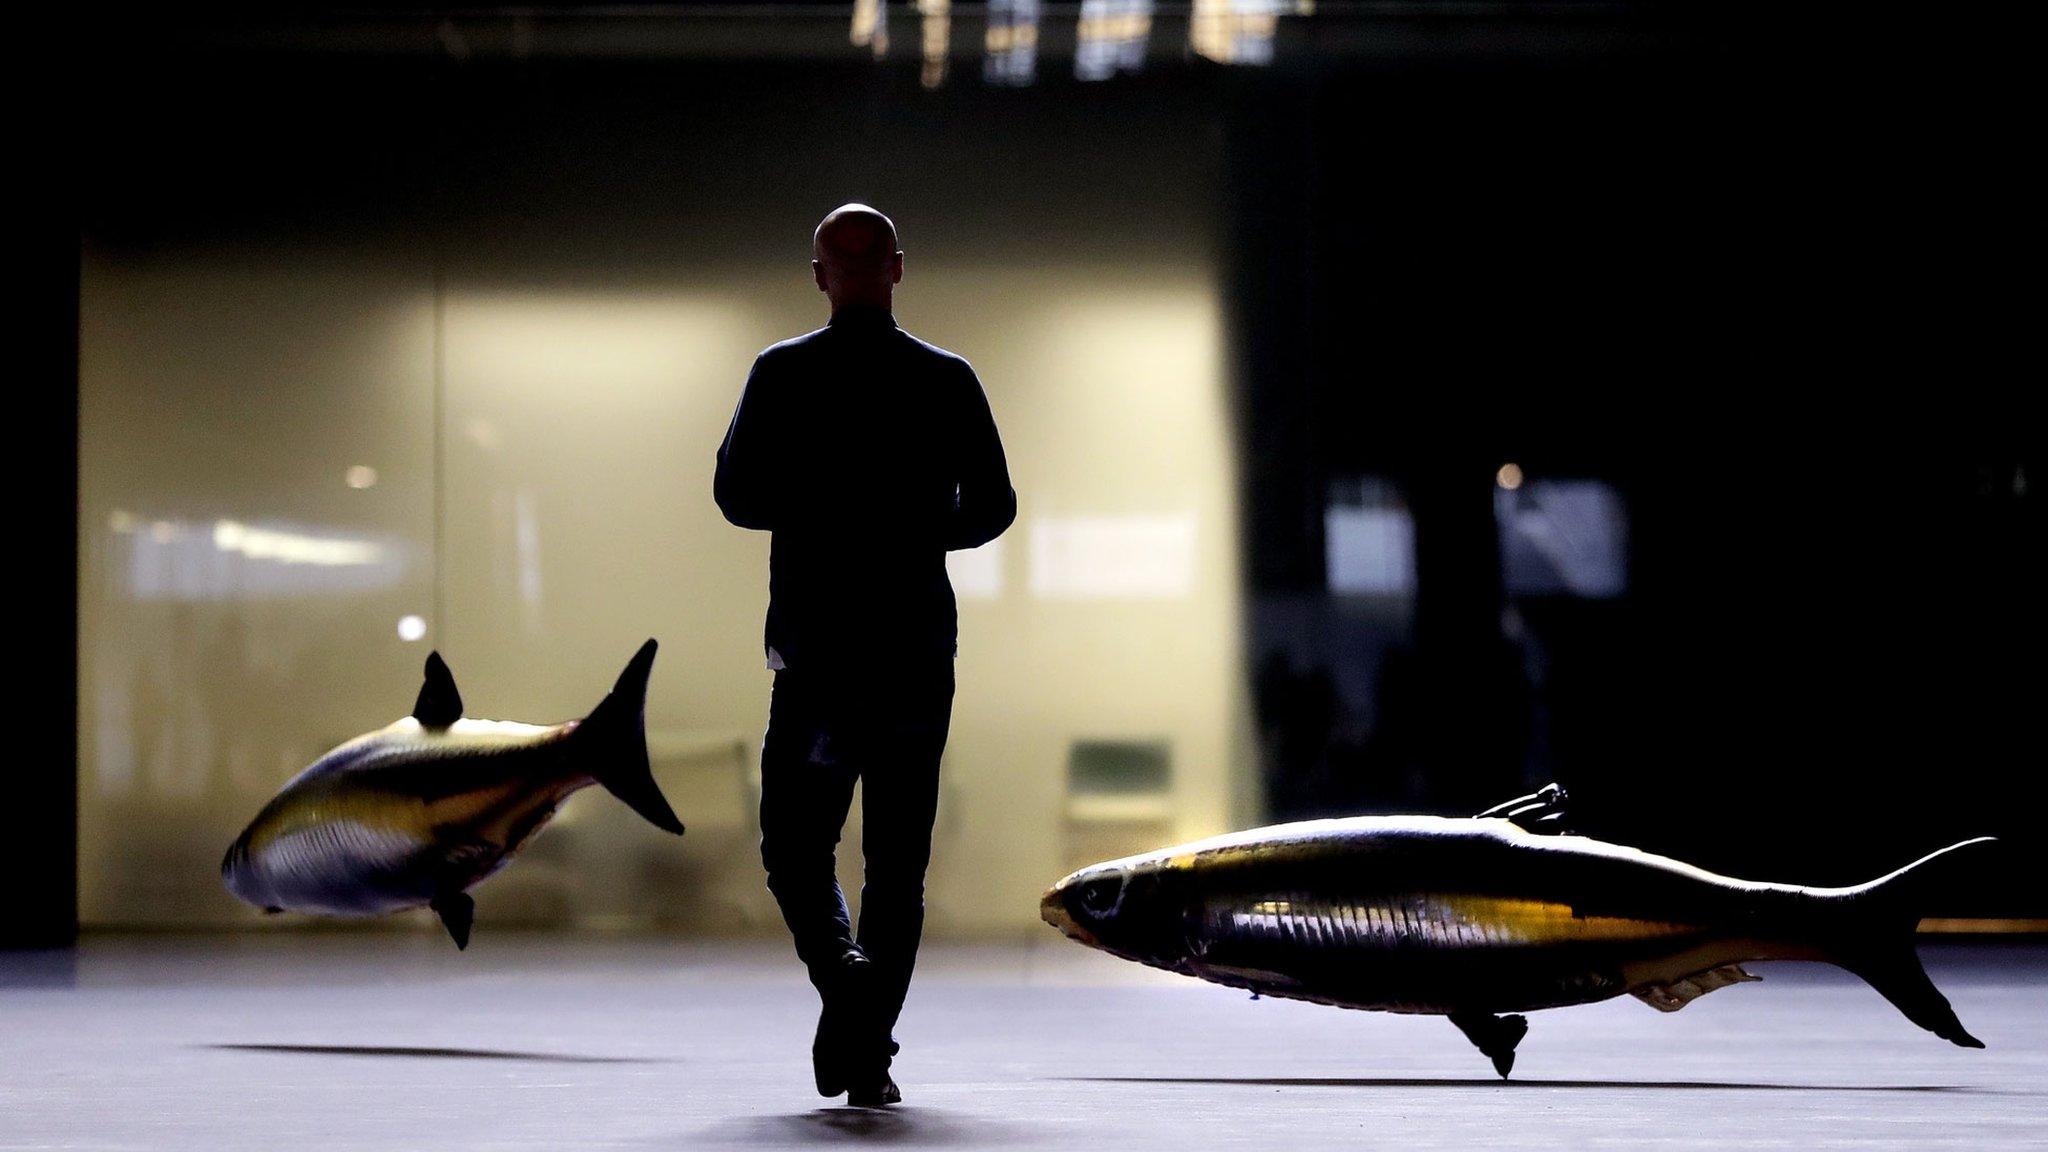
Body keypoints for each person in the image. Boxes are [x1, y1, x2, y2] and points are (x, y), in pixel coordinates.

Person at [714, 203, 1016, 1107]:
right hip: (915, 648)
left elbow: (734, 494)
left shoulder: (782, 372)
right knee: (897, 863)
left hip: (815, 651)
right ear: (895, 268)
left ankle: (847, 985)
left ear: (820, 275)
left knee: (795, 847)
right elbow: (994, 506)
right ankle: (867, 1045)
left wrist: (819, 515)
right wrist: (917, 530)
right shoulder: (945, 377)